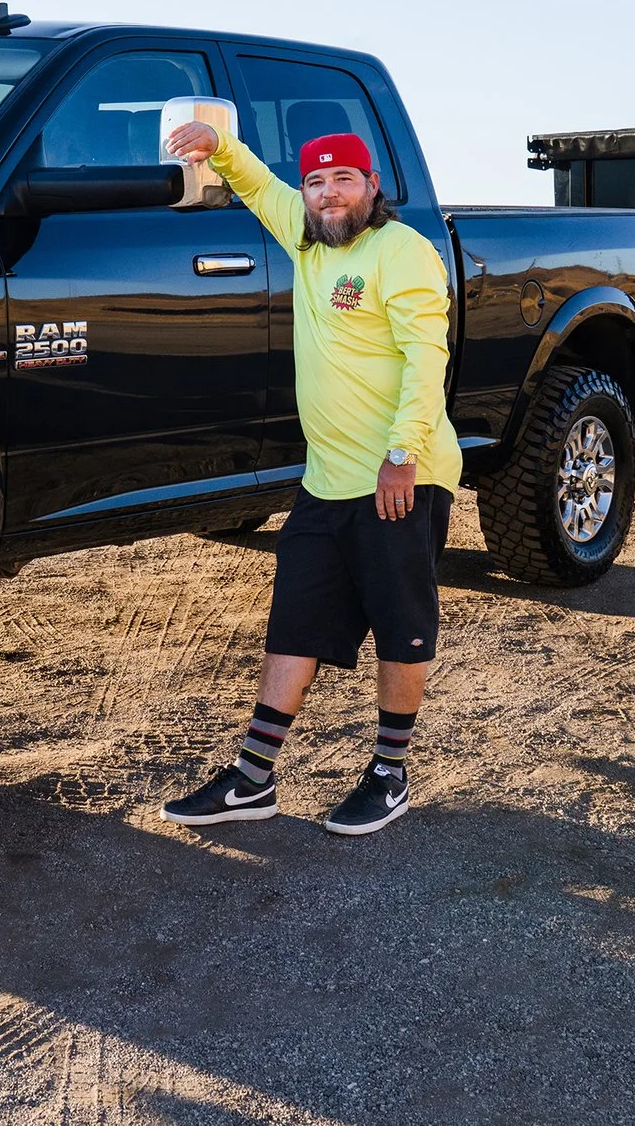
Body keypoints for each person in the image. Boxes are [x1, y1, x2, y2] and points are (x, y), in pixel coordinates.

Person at [157, 116, 461, 836]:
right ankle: (252, 779)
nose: (328, 194)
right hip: (327, 481)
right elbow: (259, 184)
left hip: (400, 476)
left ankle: (390, 773)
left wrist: (402, 454)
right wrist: (217, 146)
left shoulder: (402, 252)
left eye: (343, 180)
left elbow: (427, 359)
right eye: (317, 181)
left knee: (400, 626)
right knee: (296, 619)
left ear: (372, 186)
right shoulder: (308, 232)